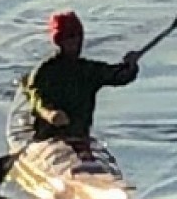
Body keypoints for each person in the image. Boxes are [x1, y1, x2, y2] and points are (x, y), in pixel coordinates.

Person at [23, 10, 141, 141]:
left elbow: (119, 76)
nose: (76, 42)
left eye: (78, 37)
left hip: (79, 137)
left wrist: (130, 65)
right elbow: (37, 100)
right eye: (69, 37)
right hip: (48, 139)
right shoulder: (44, 72)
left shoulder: (88, 70)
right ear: (59, 41)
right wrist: (50, 114)